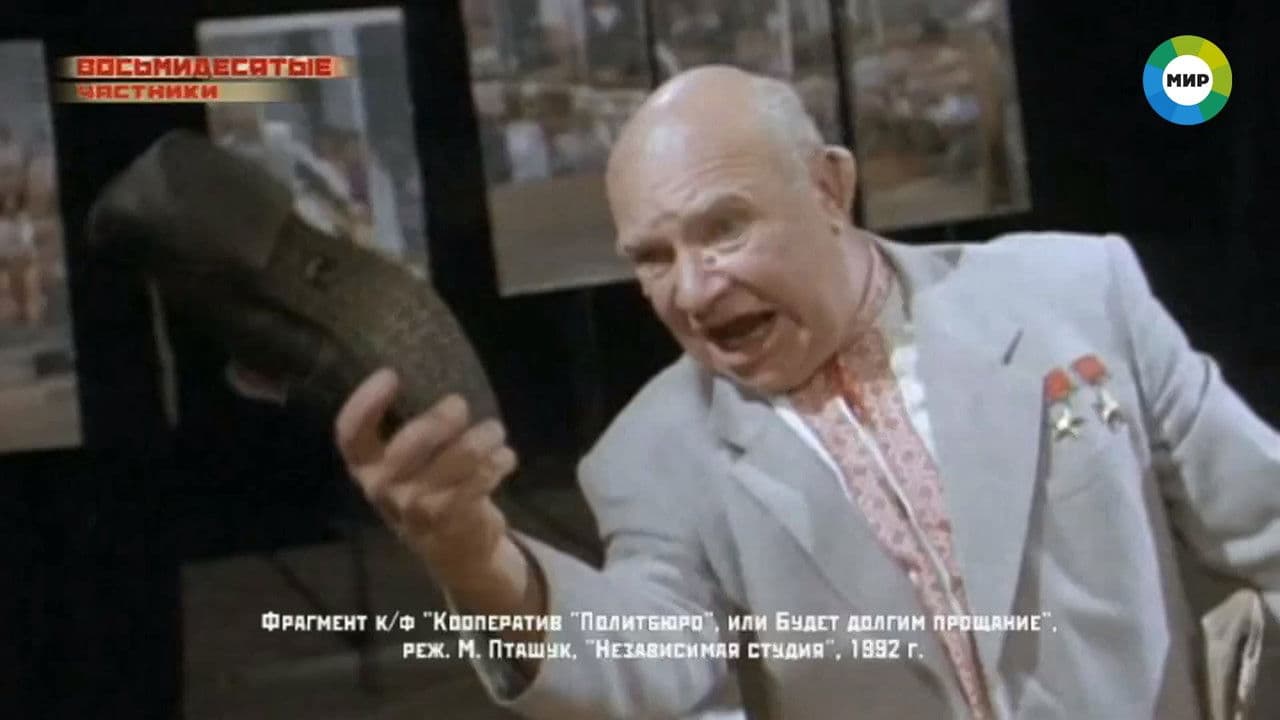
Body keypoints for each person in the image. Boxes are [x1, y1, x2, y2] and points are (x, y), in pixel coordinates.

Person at [334, 66, 1280, 718]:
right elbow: (649, 661)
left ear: (830, 189)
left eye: (724, 229)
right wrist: (478, 563)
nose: (692, 290)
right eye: (653, 257)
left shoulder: (1074, 296)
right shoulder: (651, 456)